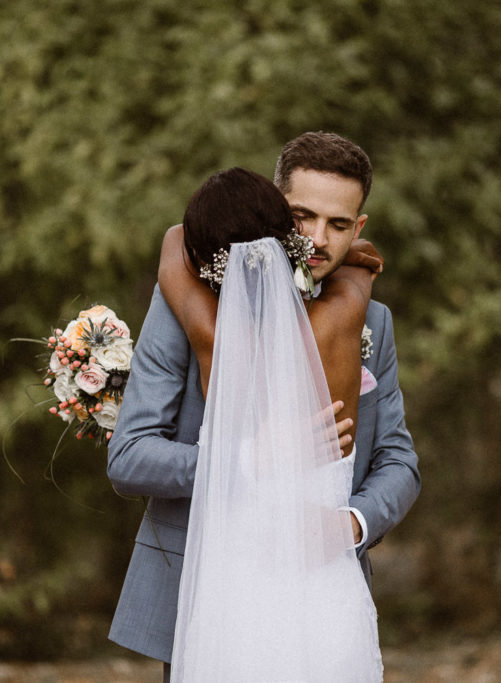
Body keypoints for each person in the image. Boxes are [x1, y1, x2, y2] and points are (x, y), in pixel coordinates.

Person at [107, 132, 420, 679]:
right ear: (276, 207)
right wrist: (250, 458)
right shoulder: (185, 301)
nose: (319, 240)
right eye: (303, 216)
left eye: (339, 224)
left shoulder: (372, 319)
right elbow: (129, 457)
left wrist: (350, 523)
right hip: (206, 598)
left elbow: (398, 461)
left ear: (359, 227)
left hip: (323, 595)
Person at [159, 166, 382, 680]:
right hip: (324, 595)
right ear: (290, 242)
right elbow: (360, 262)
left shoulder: (211, 336)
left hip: (235, 598)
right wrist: (353, 253)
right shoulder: (348, 308)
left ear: (208, 262)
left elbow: (175, 245)